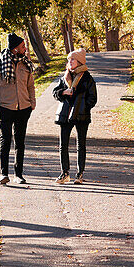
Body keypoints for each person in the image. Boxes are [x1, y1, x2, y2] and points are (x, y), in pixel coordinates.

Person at [0, 33, 36, 184]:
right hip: (5, 109)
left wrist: (32, 103)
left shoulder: (26, 64)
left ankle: (18, 175)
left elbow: (30, 86)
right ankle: (4, 174)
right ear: (15, 49)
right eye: (22, 46)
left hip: (24, 108)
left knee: (20, 142)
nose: (25, 49)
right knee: (6, 140)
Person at [52, 48, 98, 185]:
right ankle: (64, 173)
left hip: (81, 115)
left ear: (79, 62)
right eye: (69, 60)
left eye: (72, 59)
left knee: (81, 145)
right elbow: (55, 93)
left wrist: (83, 107)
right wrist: (64, 92)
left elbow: (93, 98)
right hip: (65, 114)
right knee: (63, 145)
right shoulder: (65, 76)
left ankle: (79, 174)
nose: (70, 62)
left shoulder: (87, 78)